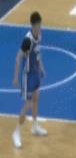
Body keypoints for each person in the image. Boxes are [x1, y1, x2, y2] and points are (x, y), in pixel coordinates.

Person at [11, 12, 47, 149]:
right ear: (33, 25)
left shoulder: (39, 35)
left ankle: (35, 126)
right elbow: (18, 57)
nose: (40, 27)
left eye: (40, 24)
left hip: (35, 73)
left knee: (36, 99)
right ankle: (16, 133)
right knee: (27, 105)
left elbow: (37, 53)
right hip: (27, 76)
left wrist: (41, 67)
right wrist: (16, 77)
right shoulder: (27, 40)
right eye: (38, 25)